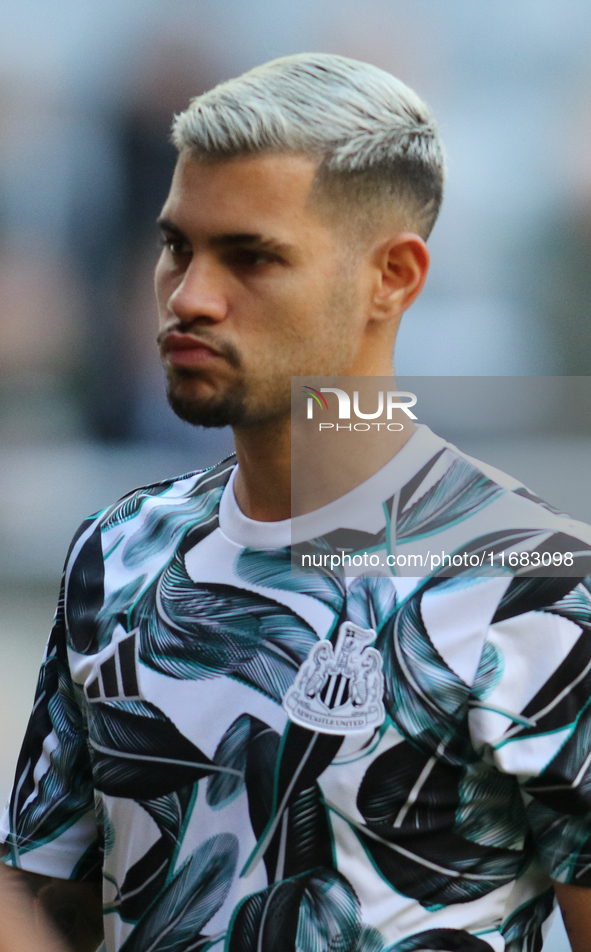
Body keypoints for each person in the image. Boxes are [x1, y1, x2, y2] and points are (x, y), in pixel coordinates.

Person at [1, 53, 591, 952]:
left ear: (391, 276)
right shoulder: (119, 550)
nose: (190, 297)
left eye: (251, 257)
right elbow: (47, 899)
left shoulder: (536, 581)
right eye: (176, 247)